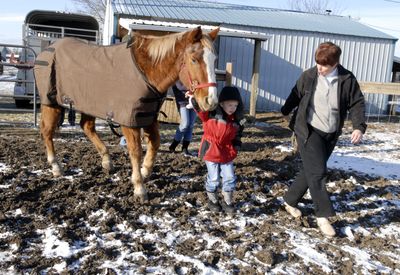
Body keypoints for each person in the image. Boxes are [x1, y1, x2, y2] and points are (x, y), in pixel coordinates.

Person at [281, 42, 367, 237]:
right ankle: (323, 216)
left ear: (335, 63)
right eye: (317, 63)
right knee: (318, 172)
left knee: (311, 170)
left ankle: (289, 200)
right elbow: (296, 93)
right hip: (308, 130)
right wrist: (285, 111)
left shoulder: (346, 79)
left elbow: (357, 103)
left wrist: (358, 126)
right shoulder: (310, 75)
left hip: (331, 132)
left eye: (324, 65)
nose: (319, 68)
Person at [192, 86, 245, 213]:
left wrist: (237, 144)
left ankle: (228, 202)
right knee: (214, 178)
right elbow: (200, 110)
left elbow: (238, 134)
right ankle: (213, 200)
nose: (233, 108)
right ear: (221, 103)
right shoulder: (211, 115)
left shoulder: (237, 120)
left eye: (235, 105)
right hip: (211, 150)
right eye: (230, 105)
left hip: (227, 151)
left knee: (229, 176)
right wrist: (195, 100)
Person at [169, 81, 197, 155]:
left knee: (190, 125)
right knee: (185, 124)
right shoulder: (180, 76)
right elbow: (179, 86)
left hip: (194, 101)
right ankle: (173, 145)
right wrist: (191, 90)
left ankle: (185, 148)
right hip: (182, 101)